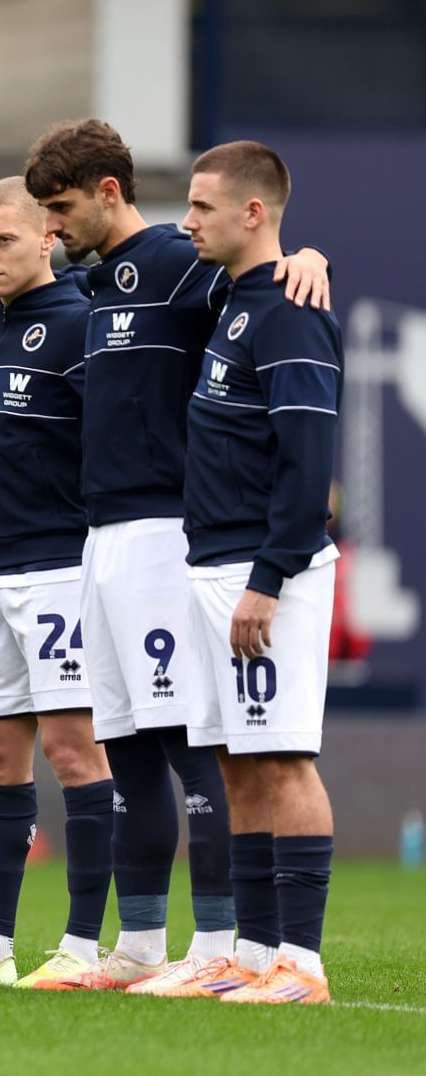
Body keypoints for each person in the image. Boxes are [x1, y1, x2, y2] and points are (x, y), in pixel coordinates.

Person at [23, 118, 328, 993]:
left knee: (198, 740)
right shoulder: (90, 282)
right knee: (126, 744)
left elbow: (268, 284)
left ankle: (224, 939)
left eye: (61, 208)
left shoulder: (179, 262)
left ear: (109, 193)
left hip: (173, 534)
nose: (52, 228)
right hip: (102, 536)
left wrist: (313, 259)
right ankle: (146, 942)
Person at [0, 176, 115, 988]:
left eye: (1, 240)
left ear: (48, 236)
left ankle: (81, 944)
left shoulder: (82, 320)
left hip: (62, 567)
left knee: (76, 752)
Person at [180, 141, 342, 1005]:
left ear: (252, 213)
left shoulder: (290, 310)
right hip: (213, 561)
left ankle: (302, 966)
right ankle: (250, 951)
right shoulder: (232, 296)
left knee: (283, 761)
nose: (188, 219)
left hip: (264, 571)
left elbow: (308, 461)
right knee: (237, 763)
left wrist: (269, 576)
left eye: (203, 206)